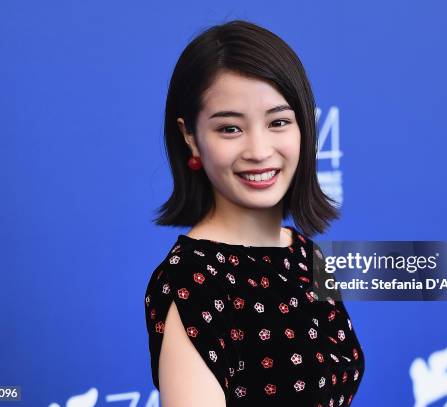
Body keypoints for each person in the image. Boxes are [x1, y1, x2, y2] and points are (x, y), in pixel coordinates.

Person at [144, 19, 365, 406]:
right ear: (190, 137)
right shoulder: (192, 284)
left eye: (278, 122)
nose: (259, 150)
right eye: (230, 129)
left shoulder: (303, 252)